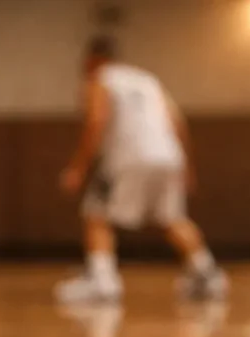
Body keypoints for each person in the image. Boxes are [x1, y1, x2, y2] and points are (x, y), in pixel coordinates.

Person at [58, 36, 228, 302]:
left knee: (95, 211)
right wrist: (188, 167)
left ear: (93, 60)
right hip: (170, 156)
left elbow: (96, 121)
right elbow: (177, 122)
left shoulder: (100, 79)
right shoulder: (148, 81)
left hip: (129, 155)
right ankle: (207, 274)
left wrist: (78, 167)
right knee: (172, 217)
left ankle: (103, 281)